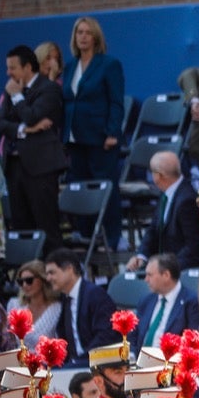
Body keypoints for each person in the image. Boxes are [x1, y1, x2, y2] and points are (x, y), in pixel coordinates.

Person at [61, 17, 126, 247]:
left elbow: (116, 102)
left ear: (96, 37)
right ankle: (85, 232)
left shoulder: (109, 64)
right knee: (79, 185)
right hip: (74, 138)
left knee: (105, 185)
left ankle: (114, 236)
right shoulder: (69, 67)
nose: (83, 37)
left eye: (88, 33)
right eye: (79, 32)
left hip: (101, 137)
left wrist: (112, 132)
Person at [0, 45, 69, 244]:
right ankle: (28, 273)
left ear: (28, 67)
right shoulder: (12, 88)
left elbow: (31, 116)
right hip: (14, 167)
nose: (8, 73)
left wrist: (18, 98)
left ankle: (53, 272)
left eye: (12, 68)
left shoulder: (49, 88)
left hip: (41, 168)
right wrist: (25, 130)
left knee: (46, 225)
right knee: (22, 226)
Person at [130, 150, 199, 270]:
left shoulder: (187, 200)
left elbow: (194, 247)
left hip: (181, 268)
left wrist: (166, 267)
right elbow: (153, 229)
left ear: (159, 176)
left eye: (152, 172)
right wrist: (141, 255)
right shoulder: (166, 192)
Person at [46, 249, 117, 364]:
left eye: (52, 272)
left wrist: (79, 361)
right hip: (74, 363)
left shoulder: (95, 295)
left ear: (69, 269)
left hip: (95, 363)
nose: (48, 278)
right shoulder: (66, 298)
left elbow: (105, 336)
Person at [134, 253, 199, 345]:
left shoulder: (191, 302)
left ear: (166, 275)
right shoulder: (146, 301)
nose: (146, 279)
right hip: (140, 357)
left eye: (150, 275)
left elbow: (192, 342)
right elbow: (133, 334)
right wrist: (132, 354)